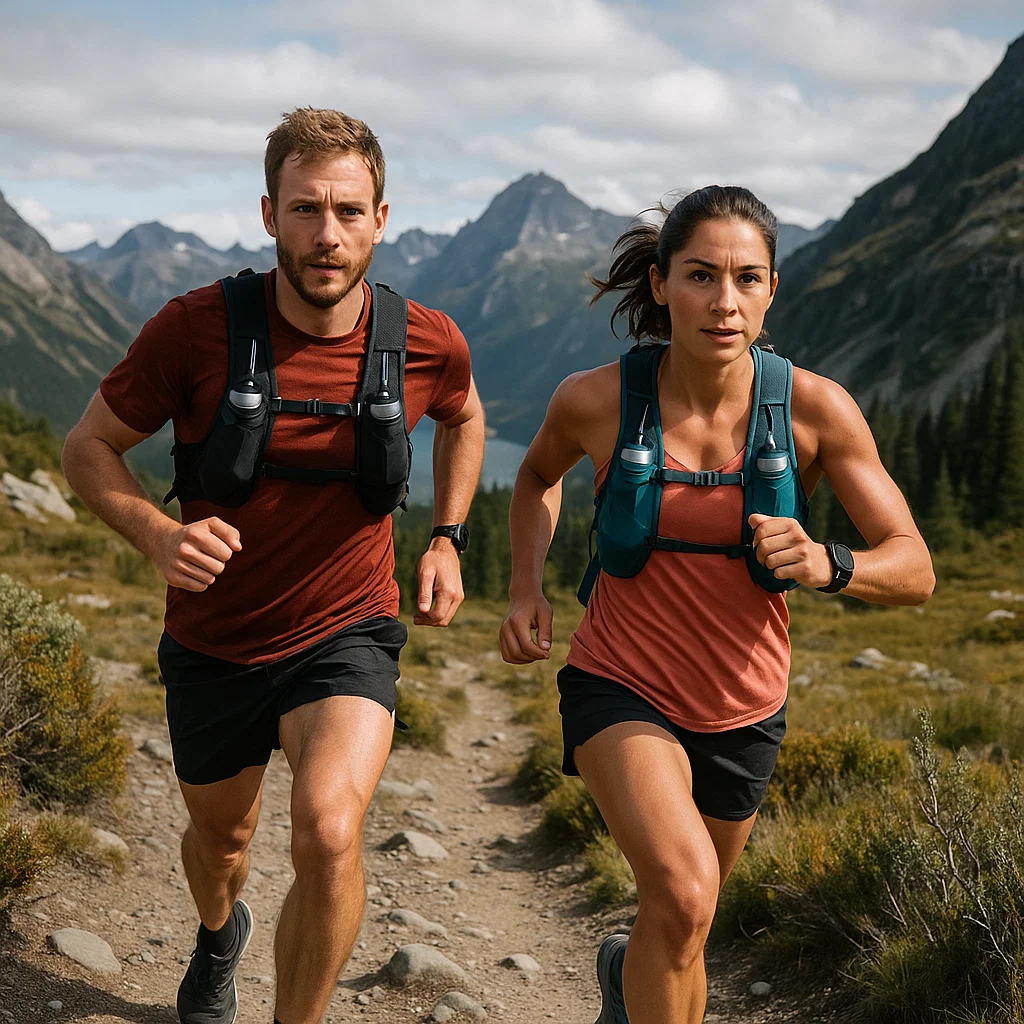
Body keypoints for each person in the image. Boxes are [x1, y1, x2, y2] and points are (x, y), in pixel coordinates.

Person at [62, 107, 486, 1024]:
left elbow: (464, 413)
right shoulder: (194, 329)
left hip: (347, 629)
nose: (327, 234)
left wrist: (446, 537)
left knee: (329, 833)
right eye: (305, 209)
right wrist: (159, 537)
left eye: (348, 210)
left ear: (381, 219)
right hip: (215, 638)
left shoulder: (424, 338)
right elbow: (88, 447)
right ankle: (220, 935)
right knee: (222, 843)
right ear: (269, 215)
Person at [498, 185, 934, 1024]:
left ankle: (626, 982)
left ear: (772, 290)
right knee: (687, 893)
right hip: (619, 684)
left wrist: (830, 562)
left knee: (684, 925)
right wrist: (526, 587)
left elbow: (914, 568)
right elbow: (535, 477)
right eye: (700, 275)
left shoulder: (814, 409)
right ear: (661, 285)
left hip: (745, 707)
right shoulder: (596, 399)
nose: (724, 301)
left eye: (746, 278)